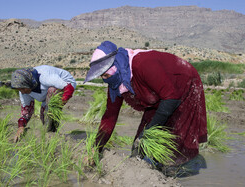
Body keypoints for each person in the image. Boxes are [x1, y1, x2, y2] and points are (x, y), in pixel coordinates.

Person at [84, 41, 207, 174]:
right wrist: (95, 148)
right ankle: (142, 170)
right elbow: (110, 117)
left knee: (175, 139)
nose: (104, 79)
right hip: (158, 98)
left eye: (105, 74)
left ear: (115, 66)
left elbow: (171, 97)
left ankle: (174, 174)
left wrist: (148, 131)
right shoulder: (116, 83)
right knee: (139, 144)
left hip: (182, 86)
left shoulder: (142, 64)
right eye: (101, 76)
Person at [11, 65, 76, 143]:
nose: (22, 91)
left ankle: (53, 133)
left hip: (65, 84)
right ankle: (50, 133)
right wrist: (21, 127)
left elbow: (69, 88)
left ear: (29, 83)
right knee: (44, 117)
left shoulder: (45, 77)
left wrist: (59, 104)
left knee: (50, 107)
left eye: (23, 88)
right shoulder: (23, 91)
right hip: (46, 94)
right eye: (19, 90)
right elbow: (26, 112)